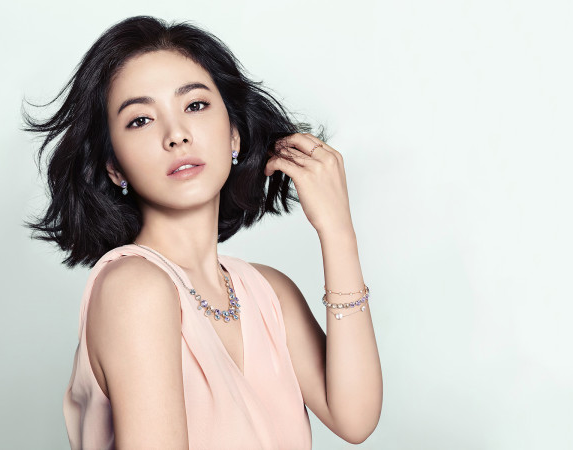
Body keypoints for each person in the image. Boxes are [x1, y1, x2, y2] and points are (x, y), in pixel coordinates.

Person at [23, 15, 382, 449]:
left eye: (194, 106)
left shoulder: (270, 293)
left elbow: (355, 418)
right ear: (114, 166)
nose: (176, 135)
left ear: (234, 135)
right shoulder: (134, 288)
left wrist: (337, 232)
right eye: (140, 120)